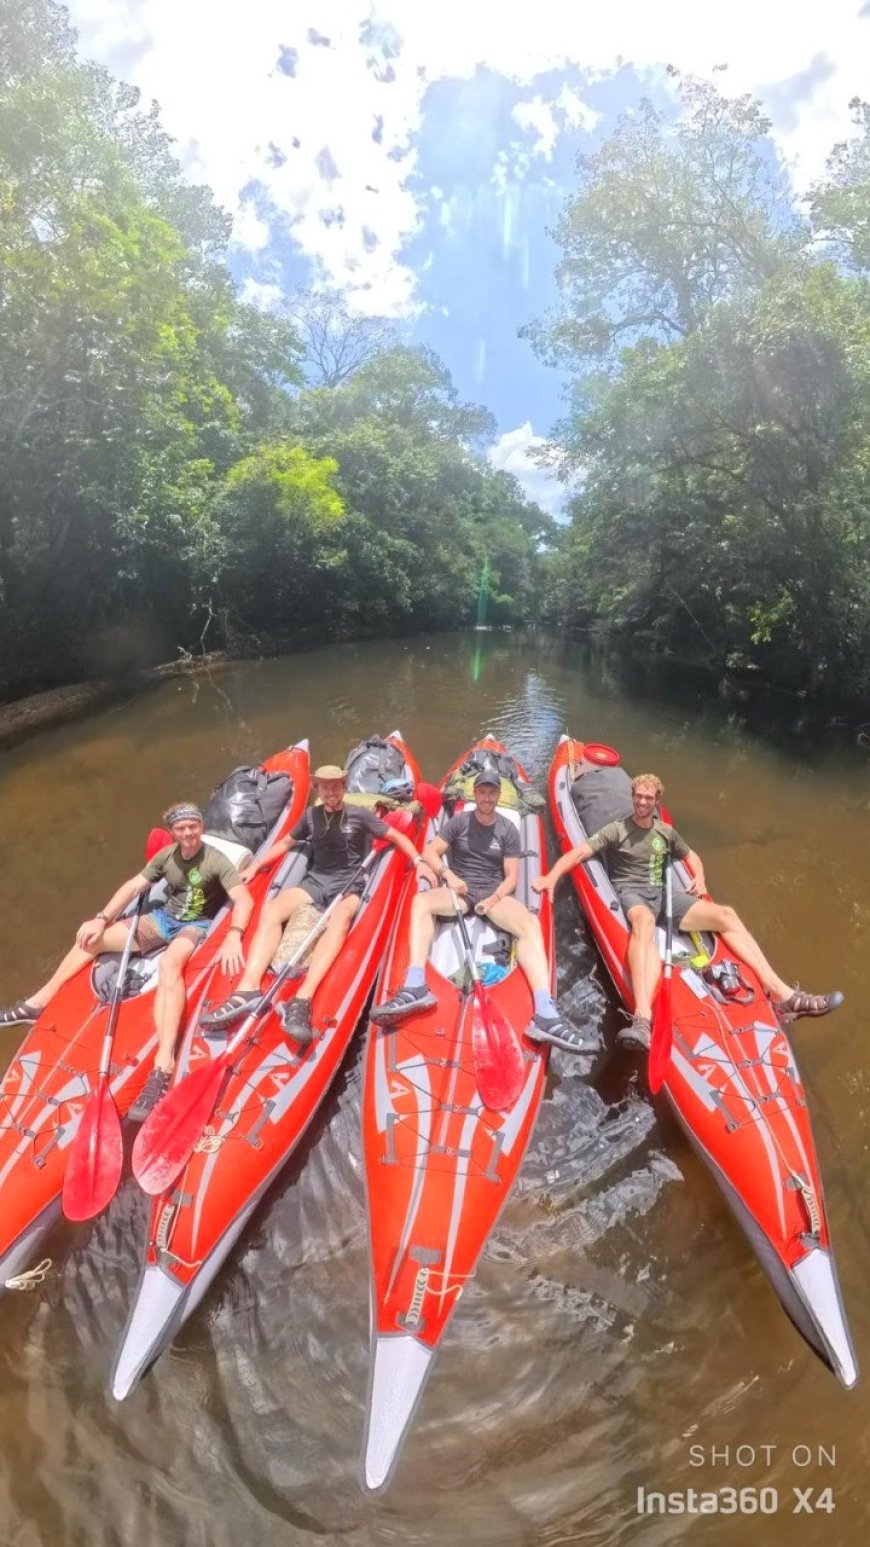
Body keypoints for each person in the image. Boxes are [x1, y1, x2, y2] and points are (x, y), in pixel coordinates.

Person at [533, 771, 844, 1049]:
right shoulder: (616, 830)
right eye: (637, 796)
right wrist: (551, 877)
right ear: (632, 797)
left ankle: (783, 995)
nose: (642, 802)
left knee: (727, 916)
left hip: (668, 896)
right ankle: (641, 1020)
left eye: (647, 797)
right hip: (634, 894)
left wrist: (699, 876)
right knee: (642, 924)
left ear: (656, 801)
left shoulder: (665, 833)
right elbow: (578, 853)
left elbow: (691, 855)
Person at [0, 803, 253, 1117]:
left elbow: (243, 898)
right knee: (90, 940)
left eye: (193, 827)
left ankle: (164, 1062)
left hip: (194, 926)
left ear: (200, 827)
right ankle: (38, 1003)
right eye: (182, 829)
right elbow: (134, 885)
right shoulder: (167, 856)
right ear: (174, 832)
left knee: (169, 965)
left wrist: (234, 933)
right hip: (162, 920)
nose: (188, 833)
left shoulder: (217, 861)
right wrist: (101, 919)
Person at [201, 763, 423, 1044]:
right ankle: (248, 989)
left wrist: (418, 860)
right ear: (318, 789)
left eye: (336, 786)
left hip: (348, 885)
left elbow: (395, 836)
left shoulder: (359, 815)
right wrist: (256, 866)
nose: (330, 791)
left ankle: (303, 998)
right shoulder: (310, 816)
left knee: (340, 920)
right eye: (324, 786)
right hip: (316, 881)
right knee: (272, 910)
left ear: (343, 787)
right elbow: (284, 844)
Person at [372, 769, 575, 1049]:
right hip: (461, 891)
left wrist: (493, 900)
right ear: (476, 794)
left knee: (529, 924)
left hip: (493, 893)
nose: (487, 797)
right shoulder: (459, 823)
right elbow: (432, 852)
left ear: (498, 795)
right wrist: (449, 876)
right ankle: (415, 984)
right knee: (421, 902)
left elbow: (512, 878)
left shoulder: (508, 830)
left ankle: (545, 1012)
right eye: (482, 792)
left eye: (492, 792)